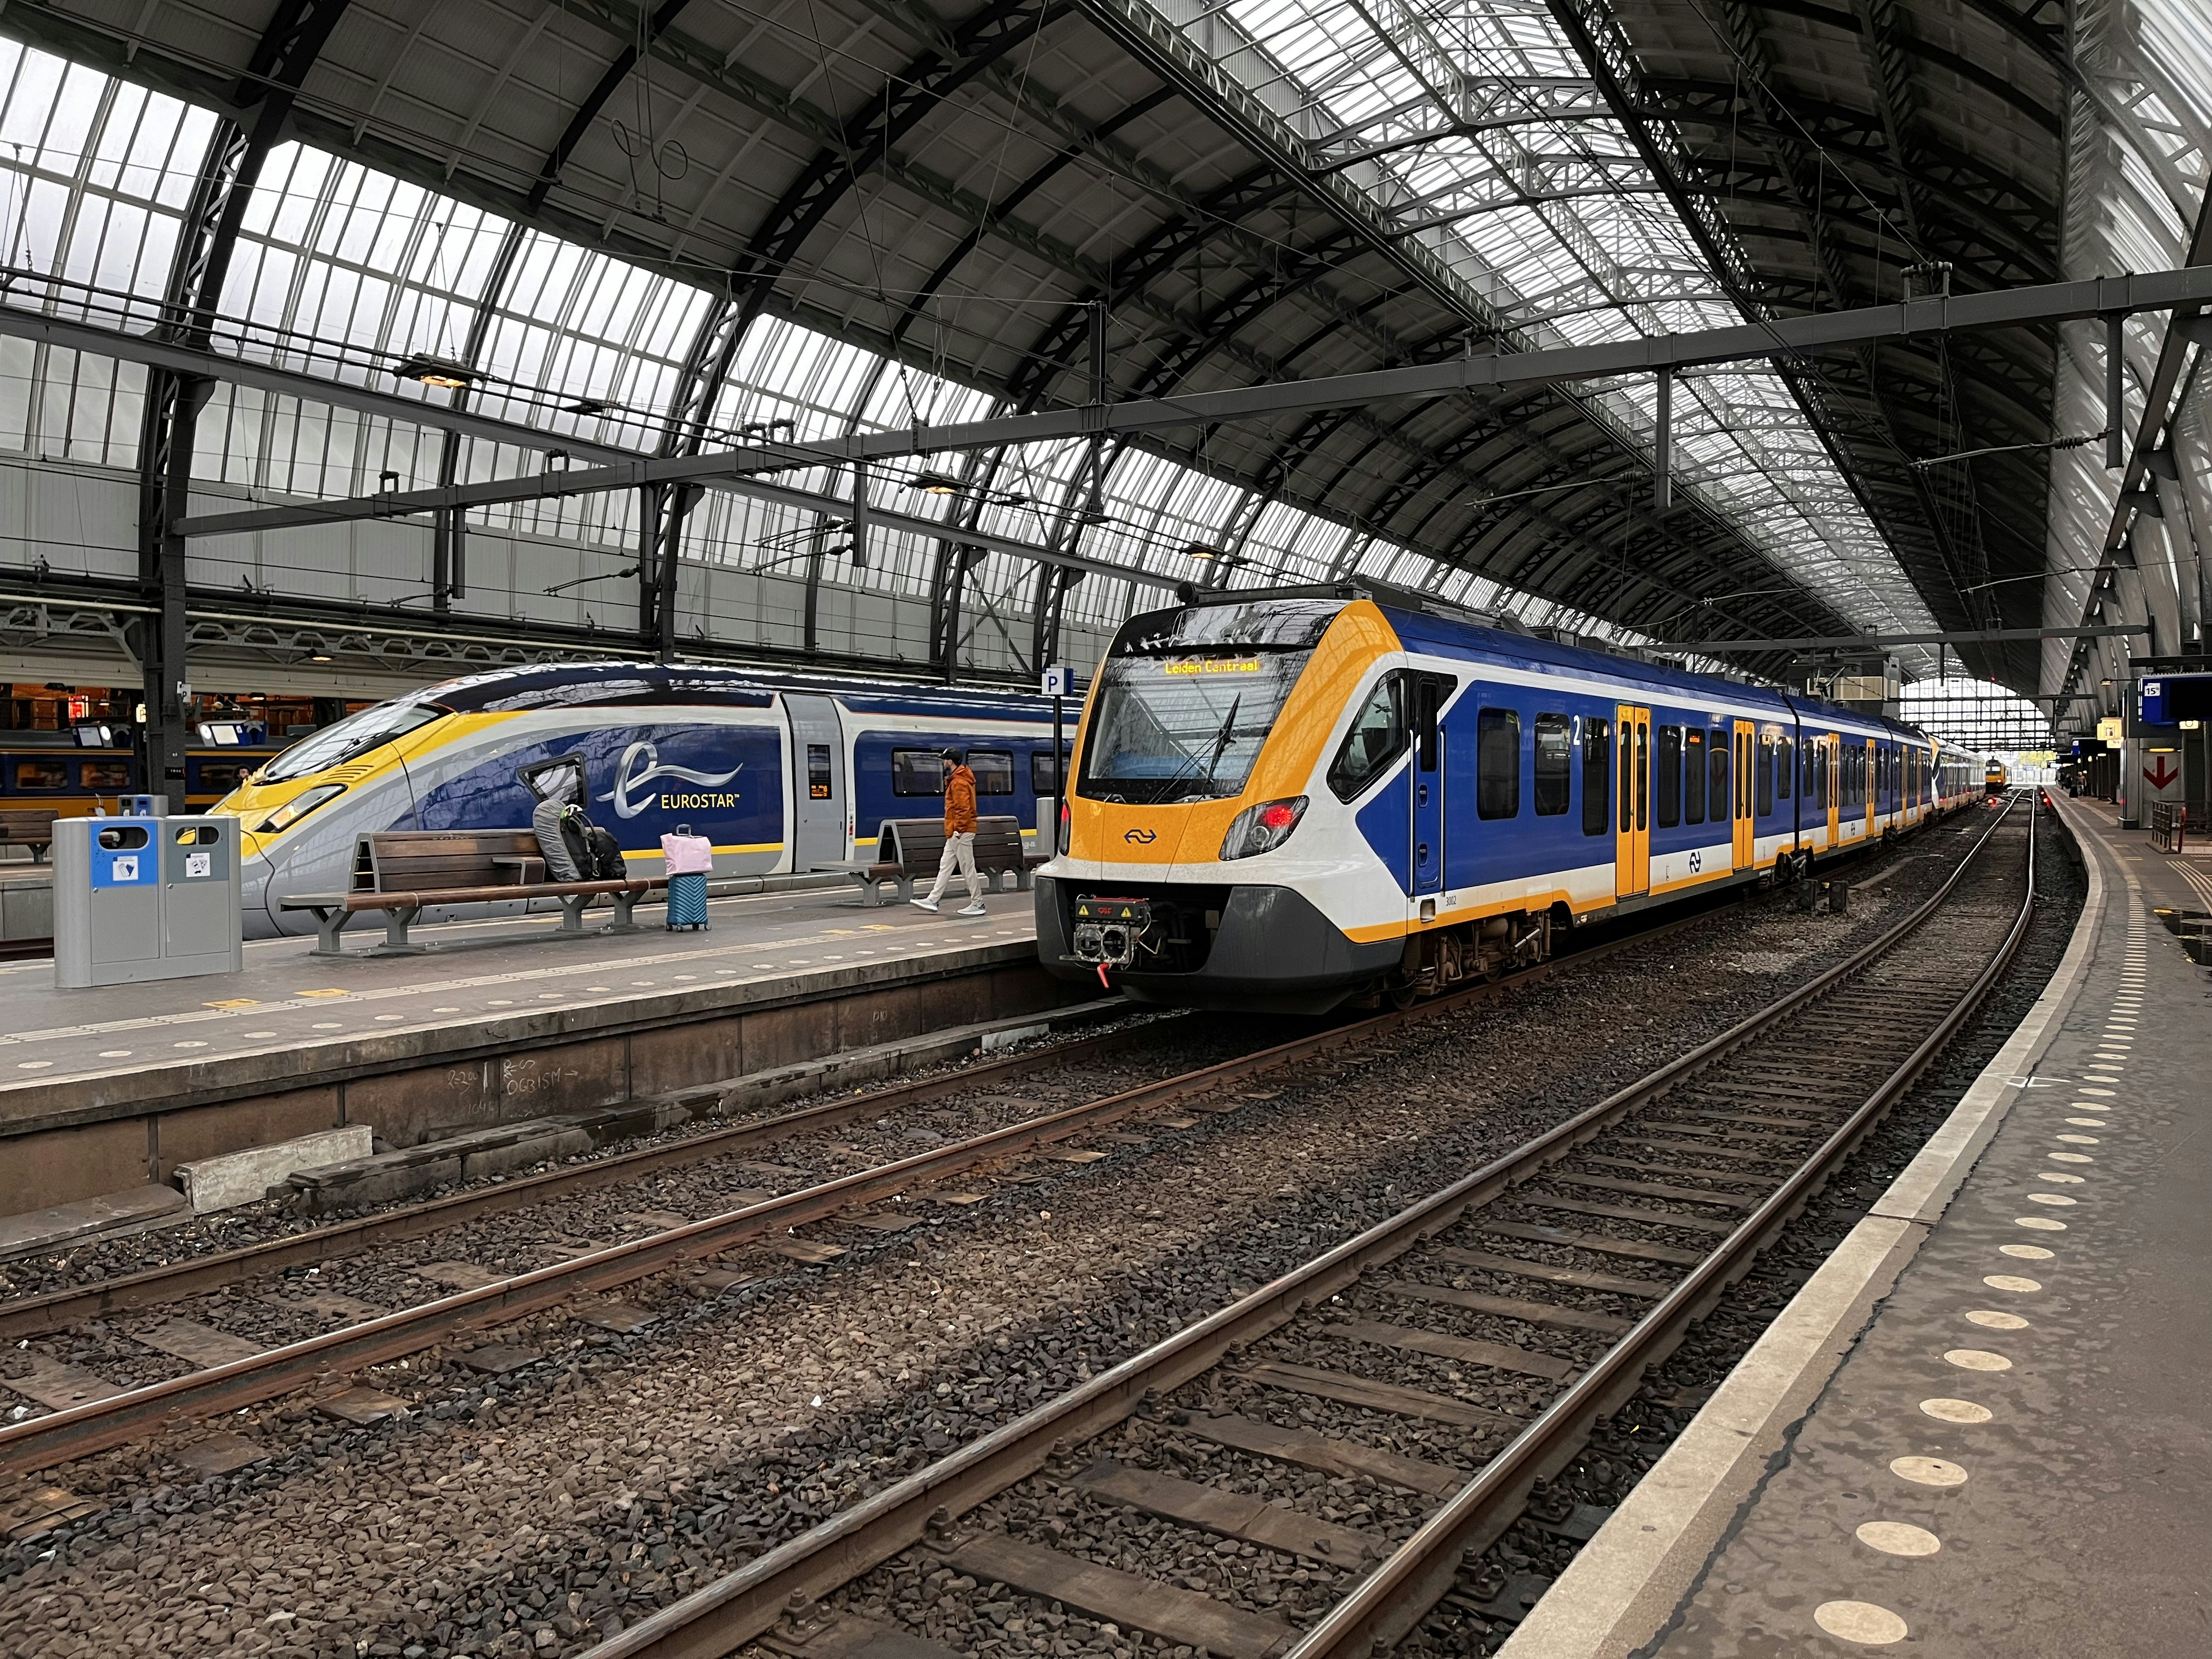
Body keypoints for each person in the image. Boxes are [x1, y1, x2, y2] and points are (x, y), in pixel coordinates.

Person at [913, 747, 988, 916]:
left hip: (960, 832)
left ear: (950, 761)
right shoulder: (958, 779)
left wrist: (958, 831)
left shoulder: (959, 782)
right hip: (955, 832)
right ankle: (933, 900)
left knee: (968, 868)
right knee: (945, 866)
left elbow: (963, 808)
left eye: (944, 759)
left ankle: (978, 903)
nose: (943, 762)